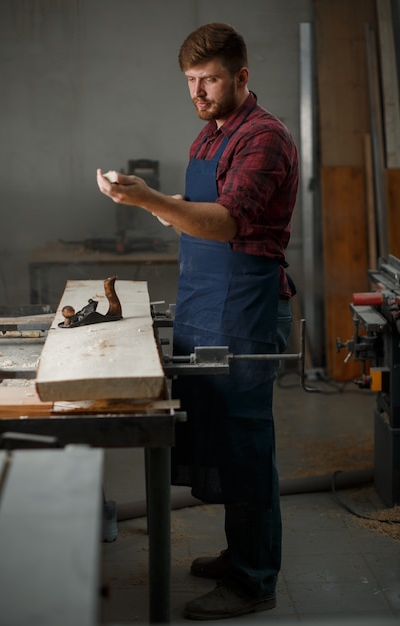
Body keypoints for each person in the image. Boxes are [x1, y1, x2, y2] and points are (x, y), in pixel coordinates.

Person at [97, 22, 298, 620]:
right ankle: (240, 554)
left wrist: (148, 200)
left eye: (209, 79)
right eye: (190, 80)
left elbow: (227, 222)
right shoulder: (209, 137)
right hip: (206, 298)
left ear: (240, 76)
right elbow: (191, 215)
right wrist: (145, 201)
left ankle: (254, 578)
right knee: (218, 430)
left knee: (245, 439)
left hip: (244, 302)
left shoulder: (263, 138)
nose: (199, 92)